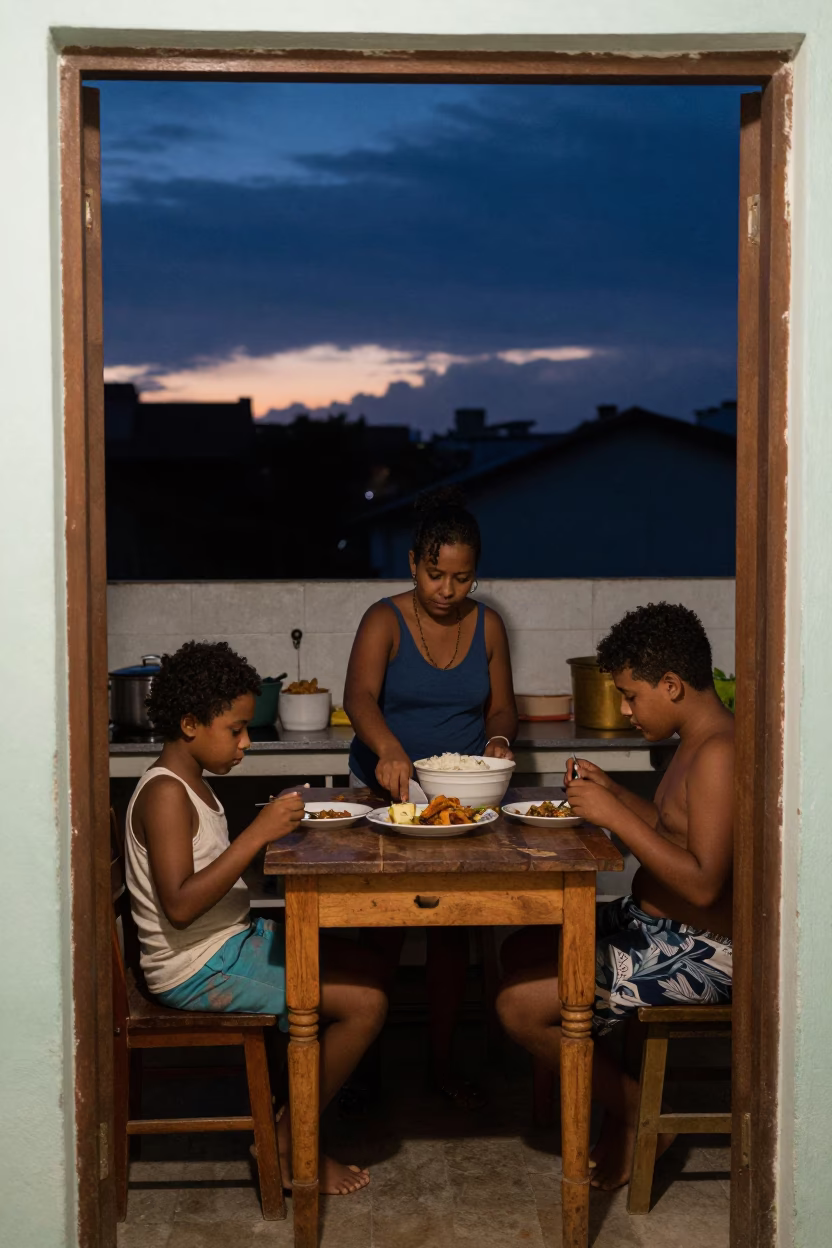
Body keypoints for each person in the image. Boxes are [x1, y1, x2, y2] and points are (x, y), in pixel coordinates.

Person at [125, 640, 387, 1195]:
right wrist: (257, 834)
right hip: (196, 966)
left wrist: (274, 833)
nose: (245, 742)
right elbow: (180, 905)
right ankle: (293, 1139)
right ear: (190, 724)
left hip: (227, 941)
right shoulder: (166, 794)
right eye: (236, 729)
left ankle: (295, 1094)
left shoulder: (190, 781)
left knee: (368, 965)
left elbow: (208, 872)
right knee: (366, 1004)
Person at [496, 603, 734, 1190]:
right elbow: (672, 828)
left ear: (671, 685)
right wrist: (615, 794)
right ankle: (617, 1102)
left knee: (518, 1006)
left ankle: (636, 1111)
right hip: (655, 924)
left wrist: (614, 818)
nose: (625, 710)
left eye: (631, 695)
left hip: (706, 947)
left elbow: (704, 883)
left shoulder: (720, 754)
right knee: (521, 947)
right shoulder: (694, 740)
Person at [343, 487, 518, 1109]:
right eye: (435, 574)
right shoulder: (383, 619)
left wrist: (499, 739)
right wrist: (389, 748)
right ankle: (363, 1068)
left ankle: (441, 1064)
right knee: (382, 926)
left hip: (459, 801)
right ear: (413, 563)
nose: (447, 590)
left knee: (451, 929)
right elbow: (358, 697)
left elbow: (502, 706)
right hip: (386, 794)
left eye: (462, 578)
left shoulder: (488, 625)